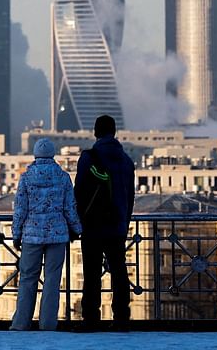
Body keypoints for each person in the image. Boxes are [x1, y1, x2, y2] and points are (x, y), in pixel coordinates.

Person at [10, 137, 82, 331]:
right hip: (57, 235)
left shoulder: (26, 177)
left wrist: (16, 235)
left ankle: (20, 323)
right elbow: (70, 208)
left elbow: (20, 209)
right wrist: (77, 229)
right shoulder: (63, 177)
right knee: (52, 279)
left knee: (27, 278)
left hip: (31, 235)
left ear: (35, 154)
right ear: (53, 154)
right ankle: (48, 324)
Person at [74, 114, 136, 326]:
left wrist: (77, 222)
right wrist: (124, 223)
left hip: (92, 226)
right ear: (114, 132)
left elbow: (79, 192)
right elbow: (130, 197)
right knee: (119, 272)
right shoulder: (126, 161)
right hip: (117, 225)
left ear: (95, 132)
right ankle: (121, 317)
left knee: (91, 273)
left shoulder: (89, 158)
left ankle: (90, 317)